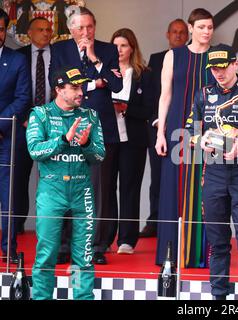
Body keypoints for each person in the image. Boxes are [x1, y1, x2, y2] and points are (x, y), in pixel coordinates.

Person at [185, 44, 238, 300]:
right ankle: (218, 296)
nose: (218, 73)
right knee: (217, 240)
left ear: (235, 64)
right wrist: (200, 141)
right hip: (212, 174)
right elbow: (190, 130)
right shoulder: (202, 94)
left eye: (223, 67)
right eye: (214, 68)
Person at [49, 7, 123, 265]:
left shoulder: (108, 50)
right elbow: (56, 84)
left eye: (89, 26)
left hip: (100, 128)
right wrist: (94, 82)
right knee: (65, 185)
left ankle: (96, 246)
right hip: (67, 127)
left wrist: (95, 60)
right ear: (71, 29)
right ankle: (65, 245)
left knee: (97, 189)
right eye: (80, 27)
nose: (86, 32)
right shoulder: (60, 50)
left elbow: (117, 85)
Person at [26, 66, 105, 300]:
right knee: (47, 253)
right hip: (52, 190)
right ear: (59, 89)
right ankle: (42, 297)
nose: (80, 92)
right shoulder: (40, 114)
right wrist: (63, 140)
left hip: (82, 190)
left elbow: (100, 156)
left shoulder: (90, 115)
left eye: (81, 86)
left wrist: (86, 144)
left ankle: (82, 296)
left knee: (83, 255)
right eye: (74, 87)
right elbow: (34, 151)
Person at [155, 8, 214, 267]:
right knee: (173, 190)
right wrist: (160, 133)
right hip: (177, 128)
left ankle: (202, 254)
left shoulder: (218, 56)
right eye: (201, 27)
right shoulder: (173, 55)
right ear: (191, 29)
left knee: (205, 190)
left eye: (210, 27)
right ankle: (171, 253)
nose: (206, 32)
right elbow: (165, 95)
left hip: (208, 132)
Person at [95, 28, 152, 254]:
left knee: (129, 188)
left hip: (133, 139)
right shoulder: (103, 73)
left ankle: (127, 240)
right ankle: (106, 237)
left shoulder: (144, 74)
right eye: (115, 45)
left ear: (132, 48)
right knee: (106, 188)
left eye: (124, 45)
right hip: (107, 137)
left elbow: (149, 108)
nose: (119, 50)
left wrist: (126, 108)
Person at [140, 18, 188, 238]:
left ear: (187, 36)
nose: (178, 36)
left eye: (182, 32)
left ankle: (183, 220)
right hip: (158, 126)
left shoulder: (192, 58)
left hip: (185, 126)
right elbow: (152, 94)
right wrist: (159, 120)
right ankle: (155, 220)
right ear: (167, 35)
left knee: (186, 176)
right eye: (174, 32)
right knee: (158, 175)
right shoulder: (157, 59)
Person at [15, 17, 53, 235]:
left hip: (52, 127)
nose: (46, 33)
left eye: (49, 30)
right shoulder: (18, 56)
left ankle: (49, 226)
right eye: (40, 29)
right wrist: (24, 117)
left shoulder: (58, 55)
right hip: (23, 126)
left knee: (52, 178)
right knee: (19, 177)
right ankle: (18, 224)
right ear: (29, 33)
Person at [0, 8, 30, 264]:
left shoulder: (17, 60)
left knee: (8, 196)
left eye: (0, 29)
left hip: (5, 138)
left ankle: (8, 248)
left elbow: (22, 99)